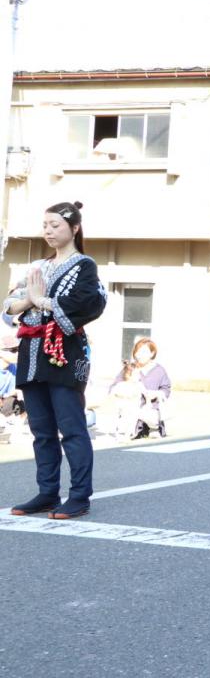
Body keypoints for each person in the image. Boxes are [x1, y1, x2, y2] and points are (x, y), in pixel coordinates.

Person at [4, 201, 107, 519]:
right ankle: (47, 492)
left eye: (55, 225)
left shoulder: (84, 266)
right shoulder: (37, 266)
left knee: (72, 427)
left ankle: (79, 495)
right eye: (45, 225)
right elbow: (9, 302)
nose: (48, 231)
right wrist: (27, 302)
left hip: (63, 352)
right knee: (41, 430)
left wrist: (42, 301)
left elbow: (88, 302)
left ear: (74, 228)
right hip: (32, 353)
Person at [111, 337, 172, 438]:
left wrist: (156, 394)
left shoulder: (159, 370)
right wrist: (125, 391)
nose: (139, 355)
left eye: (143, 352)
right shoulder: (130, 368)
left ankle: (153, 429)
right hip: (130, 409)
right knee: (128, 414)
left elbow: (166, 389)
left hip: (150, 409)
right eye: (137, 352)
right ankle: (129, 431)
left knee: (151, 415)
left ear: (152, 353)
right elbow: (115, 386)